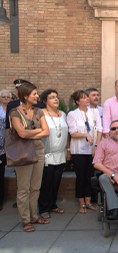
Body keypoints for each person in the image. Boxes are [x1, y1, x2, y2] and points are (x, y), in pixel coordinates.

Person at [9, 82, 49, 232]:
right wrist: (36, 131)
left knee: (35, 187)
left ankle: (34, 215)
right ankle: (25, 220)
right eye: (34, 94)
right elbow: (21, 133)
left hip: (38, 150)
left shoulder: (39, 111)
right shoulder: (15, 112)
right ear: (25, 96)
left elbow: (47, 132)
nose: (37, 96)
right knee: (23, 188)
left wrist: (29, 133)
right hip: (23, 152)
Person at [67, 90, 102, 214]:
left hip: (91, 150)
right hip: (79, 151)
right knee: (81, 177)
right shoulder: (72, 114)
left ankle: (89, 201)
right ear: (77, 101)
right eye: (83, 98)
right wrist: (85, 134)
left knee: (89, 176)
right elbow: (72, 133)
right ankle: (81, 202)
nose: (87, 99)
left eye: (87, 97)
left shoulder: (95, 112)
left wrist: (97, 146)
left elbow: (99, 129)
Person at [38, 89, 68, 219]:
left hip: (61, 153)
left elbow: (67, 133)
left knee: (56, 181)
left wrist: (68, 149)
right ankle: (43, 208)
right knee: (46, 182)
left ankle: (53, 205)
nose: (56, 99)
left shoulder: (63, 114)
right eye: (52, 97)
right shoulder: (40, 114)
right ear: (45, 101)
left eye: (56, 97)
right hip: (47, 154)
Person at [0, 89, 11, 211]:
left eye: (7, 97)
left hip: (8, 145)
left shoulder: (12, 110)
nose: (5, 99)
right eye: (3, 97)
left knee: (1, 174)